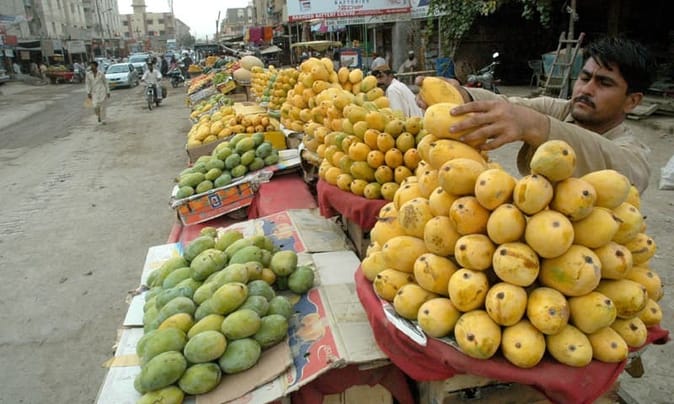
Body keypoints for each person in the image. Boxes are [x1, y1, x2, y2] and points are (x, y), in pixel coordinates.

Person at [417, 36, 656, 192]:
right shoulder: (561, 109)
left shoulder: (633, 154)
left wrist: (537, 126)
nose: (586, 89)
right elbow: (506, 106)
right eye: (584, 78)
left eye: (604, 83)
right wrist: (463, 96)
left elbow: (622, 173)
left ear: (632, 101)